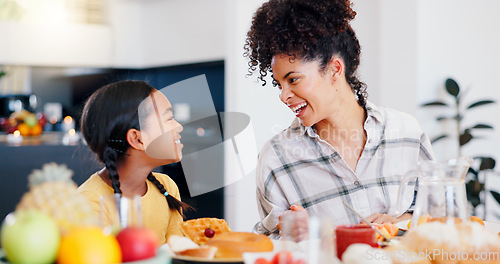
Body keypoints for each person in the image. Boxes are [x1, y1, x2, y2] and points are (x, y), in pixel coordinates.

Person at [243, 0, 435, 240]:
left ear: (335, 69)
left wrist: (399, 223)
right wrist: (295, 236)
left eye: (293, 80)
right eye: (278, 84)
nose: (283, 96)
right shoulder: (277, 157)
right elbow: (268, 244)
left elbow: (440, 218)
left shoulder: (405, 132)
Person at [77, 80, 191, 244]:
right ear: (137, 139)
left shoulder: (167, 186)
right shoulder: (88, 204)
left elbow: (176, 253)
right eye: (169, 118)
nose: (178, 126)